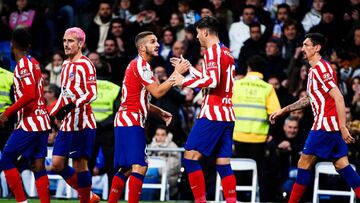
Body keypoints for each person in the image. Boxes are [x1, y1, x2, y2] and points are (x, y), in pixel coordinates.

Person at [270, 33, 360, 203]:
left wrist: (342, 127)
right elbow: (310, 98)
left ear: (317, 48)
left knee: (303, 163)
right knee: (342, 165)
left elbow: (339, 97)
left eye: (306, 45)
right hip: (330, 125)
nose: (302, 49)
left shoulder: (322, 69)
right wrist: (284, 110)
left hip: (325, 125)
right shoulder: (314, 70)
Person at [107, 31, 190, 203]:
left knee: (128, 168)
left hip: (126, 119)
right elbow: (158, 92)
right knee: (141, 166)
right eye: (153, 42)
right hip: (131, 120)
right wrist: (176, 73)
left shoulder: (139, 66)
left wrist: (159, 112)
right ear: (142, 47)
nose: (157, 44)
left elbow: (136, 98)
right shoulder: (142, 65)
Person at [173, 16, 237, 203]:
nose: (197, 36)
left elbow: (212, 81)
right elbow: (214, 78)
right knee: (223, 163)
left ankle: (200, 201)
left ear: (206, 32)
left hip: (213, 112)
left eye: (198, 32)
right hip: (227, 114)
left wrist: (183, 81)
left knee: (190, 157)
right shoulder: (226, 52)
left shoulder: (211, 52)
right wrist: (190, 69)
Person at [0, 27, 51, 203]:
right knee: (38, 165)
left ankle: (22, 201)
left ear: (12, 44)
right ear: (28, 46)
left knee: (6, 159)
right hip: (42, 120)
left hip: (31, 121)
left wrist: (7, 112)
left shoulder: (22, 65)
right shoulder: (34, 62)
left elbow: (29, 94)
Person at [49, 27, 99, 203]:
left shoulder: (86, 64)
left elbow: (92, 93)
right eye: (64, 40)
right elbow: (64, 92)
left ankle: (85, 199)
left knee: (79, 165)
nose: (66, 44)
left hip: (82, 123)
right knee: (56, 164)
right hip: (67, 123)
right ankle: (88, 195)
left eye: (70, 41)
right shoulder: (65, 64)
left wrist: (72, 105)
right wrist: (56, 111)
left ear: (80, 43)